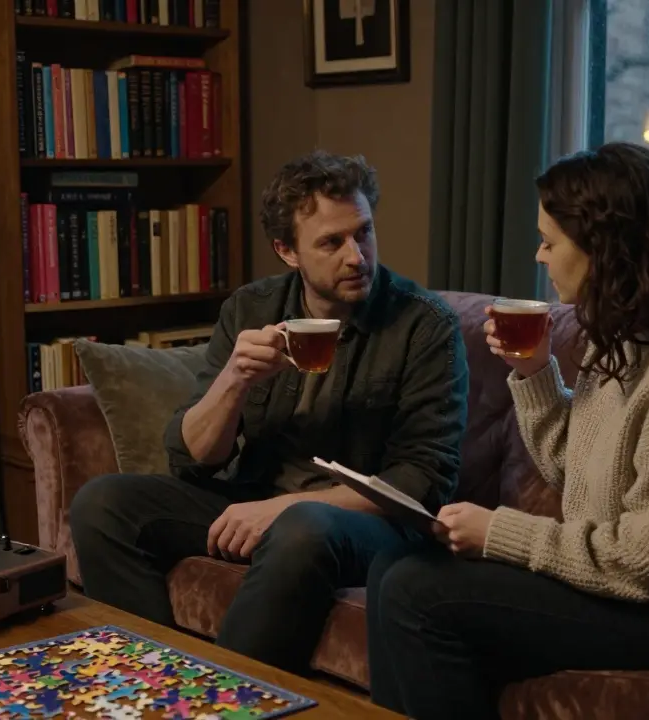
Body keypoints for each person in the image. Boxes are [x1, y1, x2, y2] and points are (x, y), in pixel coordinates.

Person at [365, 142, 649, 719]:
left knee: (417, 594)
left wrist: (500, 533)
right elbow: (576, 470)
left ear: (605, 249)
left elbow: (644, 565)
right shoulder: (623, 333)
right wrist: (534, 371)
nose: (539, 256)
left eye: (550, 242)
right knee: (391, 566)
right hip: (644, 592)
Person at [67, 149, 470, 674]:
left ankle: (225, 700)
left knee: (303, 526)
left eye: (363, 232)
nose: (357, 256)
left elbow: (421, 484)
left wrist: (280, 510)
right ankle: (153, 679)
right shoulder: (250, 309)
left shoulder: (424, 326)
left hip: (363, 525)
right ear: (287, 251)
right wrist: (234, 380)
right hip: (251, 496)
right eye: (332, 242)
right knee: (103, 503)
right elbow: (191, 459)